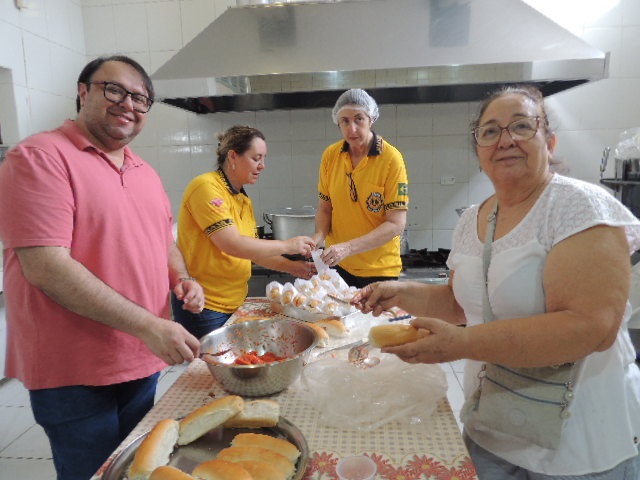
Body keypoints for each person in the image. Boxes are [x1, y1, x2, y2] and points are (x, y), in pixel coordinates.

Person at [353, 85, 640, 478]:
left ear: (549, 141)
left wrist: (461, 344)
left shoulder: (579, 206)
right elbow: (460, 304)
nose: (505, 140)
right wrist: (400, 293)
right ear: (479, 150)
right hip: (493, 428)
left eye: (521, 126)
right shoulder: (474, 218)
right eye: (490, 131)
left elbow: (590, 328)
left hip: (579, 445)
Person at [0, 55, 205, 480]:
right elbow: (46, 267)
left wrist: (182, 278)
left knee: (134, 468)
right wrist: (149, 325)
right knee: (93, 472)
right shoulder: (39, 158)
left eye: (141, 98)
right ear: (83, 91)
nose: (128, 104)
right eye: (115, 90)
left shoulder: (143, 170)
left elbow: (164, 240)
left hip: (140, 357)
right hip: (74, 370)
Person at [172, 125, 317, 339]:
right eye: (256, 158)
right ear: (233, 156)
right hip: (204, 306)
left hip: (234, 303)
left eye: (264, 159)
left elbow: (252, 253)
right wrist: (288, 245)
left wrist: (295, 267)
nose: (262, 166)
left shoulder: (242, 199)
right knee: (209, 361)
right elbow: (231, 243)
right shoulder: (206, 187)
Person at [312, 88, 409, 289]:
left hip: (379, 270)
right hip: (339, 268)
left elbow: (396, 224)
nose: (352, 129)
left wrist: (348, 248)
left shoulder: (391, 159)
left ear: (371, 119)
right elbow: (325, 208)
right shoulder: (331, 156)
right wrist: (318, 238)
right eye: (345, 121)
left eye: (359, 119)